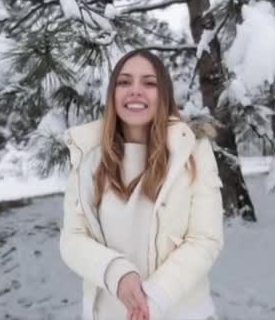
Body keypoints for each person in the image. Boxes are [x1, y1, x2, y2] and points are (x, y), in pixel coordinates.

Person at [60, 49, 224, 320]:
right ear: (112, 93)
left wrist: (155, 298)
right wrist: (117, 273)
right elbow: (72, 239)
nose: (135, 90)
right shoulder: (87, 156)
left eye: (149, 83)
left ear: (164, 95)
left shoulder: (192, 152)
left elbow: (205, 239)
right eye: (124, 82)